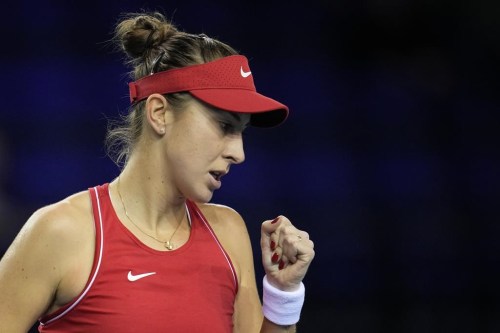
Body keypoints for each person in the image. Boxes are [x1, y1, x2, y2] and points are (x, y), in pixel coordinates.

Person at [0, 12, 315, 332]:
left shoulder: (228, 232)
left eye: (242, 132)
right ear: (159, 113)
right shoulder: (62, 232)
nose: (239, 153)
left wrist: (283, 293)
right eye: (224, 125)